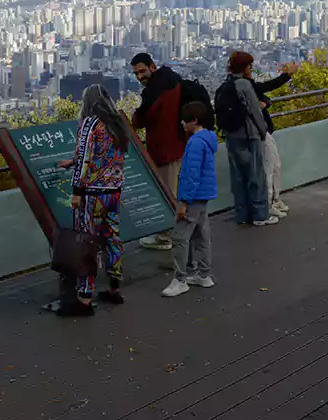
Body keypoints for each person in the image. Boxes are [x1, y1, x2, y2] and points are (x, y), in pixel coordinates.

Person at [55, 85, 131, 316]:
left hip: (92, 194)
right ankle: (114, 288)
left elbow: (86, 158)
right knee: (112, 238)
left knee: (87, 241)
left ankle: (84, 296)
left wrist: (77, 191)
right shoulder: (116, 123)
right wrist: (73, 161)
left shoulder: (90, 123)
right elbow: (105, 155)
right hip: (114, 191)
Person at [161, 102, 218, 298]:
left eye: (184, 119)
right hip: (204, 196)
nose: (182, 122)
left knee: (180, 237)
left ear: (194, 120)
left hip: (192, 198)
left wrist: (183, 202)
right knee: (201, 236)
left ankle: (180, 278)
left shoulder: (194, 142)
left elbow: (190, 175)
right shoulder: (208, 140)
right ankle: (204, 274)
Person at [130, 53, 186, 251]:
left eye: (142, 71)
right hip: (179, 144)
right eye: (136, 73)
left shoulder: (155, 92)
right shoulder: (174, 80)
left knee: (167, 192)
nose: (139, 77)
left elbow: (140, 120)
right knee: (176, 191)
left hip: (163, 149)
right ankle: (174, 233)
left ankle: (165, 236)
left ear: (152, 67)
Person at [214, 51, 275, 226]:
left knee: (238, 177)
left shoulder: (227, 84)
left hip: (231, 136)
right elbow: (255, 111)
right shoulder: (244, 85)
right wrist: (263, 131)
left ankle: (242, 214)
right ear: (246, 67)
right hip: (249, 135)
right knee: (255, 175)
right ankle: (260, 215)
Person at [253, 63, 298, 218]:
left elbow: (265, 96)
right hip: (260, 132)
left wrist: (266, 103)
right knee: (269, 167)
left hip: (264, 131)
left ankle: (275, 198)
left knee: (275, 165)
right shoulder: (246, 86)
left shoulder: (248, 86)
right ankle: (269, 203)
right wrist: (287, 75)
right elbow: (270, 86)